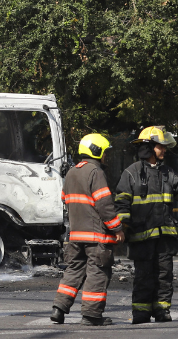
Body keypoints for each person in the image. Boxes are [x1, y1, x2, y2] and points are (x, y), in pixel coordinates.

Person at [114, 126, 178, 324]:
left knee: (164, 276)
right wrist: (123, 227)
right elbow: (122, 203)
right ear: (150, 147)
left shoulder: (168, 173)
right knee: (143, 277)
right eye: (161, 147)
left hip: (164, 237)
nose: (164, 151)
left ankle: (162, 311)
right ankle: (141, 313)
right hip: (141, 237)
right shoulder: (131, 173)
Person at [50, 133, 125, 326]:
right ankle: (91, 315)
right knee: (97, 273)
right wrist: (117, 228)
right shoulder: (96, 172)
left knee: (74, 270)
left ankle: (59, 308)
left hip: (76, 235)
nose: (105, 156)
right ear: (96, 150)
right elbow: (105, 205)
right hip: (96, 237)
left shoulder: (72, 172)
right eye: (104, 152)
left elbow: (64, 199)